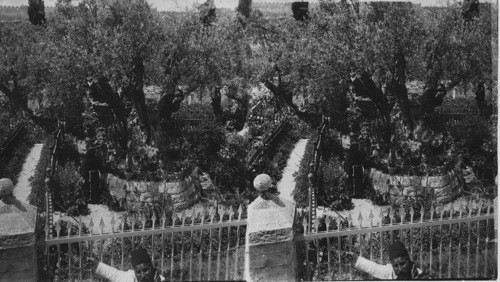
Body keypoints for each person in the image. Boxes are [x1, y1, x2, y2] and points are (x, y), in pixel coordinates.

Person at [347, 241, 431, 280]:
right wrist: (356, 258)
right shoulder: (391, 272)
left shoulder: (422, 277)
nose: (400, 269)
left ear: (409, 260)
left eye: (402, 264)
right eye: (395, 266)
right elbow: (374, 269)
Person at [90, 247, 165, 282]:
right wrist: (97, 265)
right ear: (134, 271)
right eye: (138, 272)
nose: (142, 275)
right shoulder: (131, 277)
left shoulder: (161, 280)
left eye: (145, 270)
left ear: (151, 267)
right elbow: (115, 274)